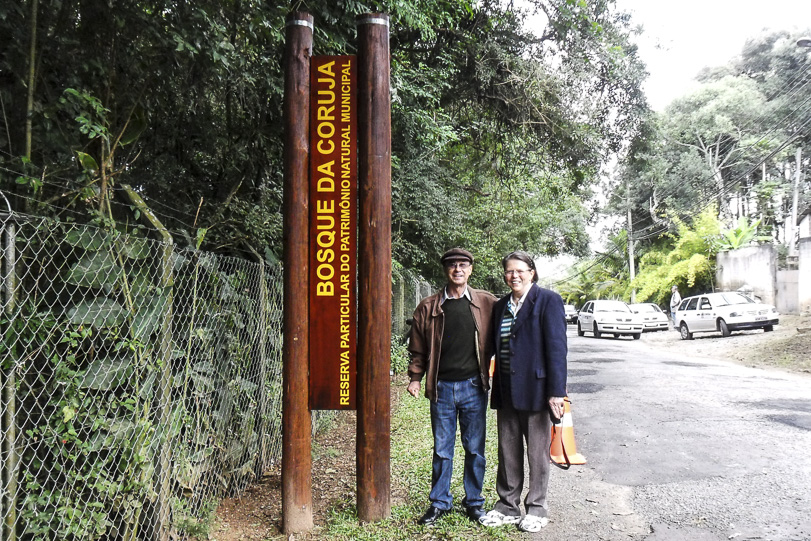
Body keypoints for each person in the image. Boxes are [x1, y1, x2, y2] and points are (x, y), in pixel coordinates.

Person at [407, 248, 497, 526]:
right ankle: (440, 502)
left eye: (463, 265)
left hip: (473, 386)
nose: (458, 269)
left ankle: (474, 503)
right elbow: (418, 347)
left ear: (470, 269)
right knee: (442, 449)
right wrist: (415, 377)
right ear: (445, 270)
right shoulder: (428, 306)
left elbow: (508, 331)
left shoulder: (486, 302)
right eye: (452, 265)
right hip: (441, 388)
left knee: (475, 449)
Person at [479, 251, 567, 533]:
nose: (513, 276)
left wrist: (555, 392)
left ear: (532, 272)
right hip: (505, 388)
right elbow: (493, 345)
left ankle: (537, 507)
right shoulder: (501, 305)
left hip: (537, 390)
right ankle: (507, 505)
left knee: (538, 452)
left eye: (519, 270)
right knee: (507, 450)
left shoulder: (548, 300)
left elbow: (557, 349)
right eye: (508, 271)